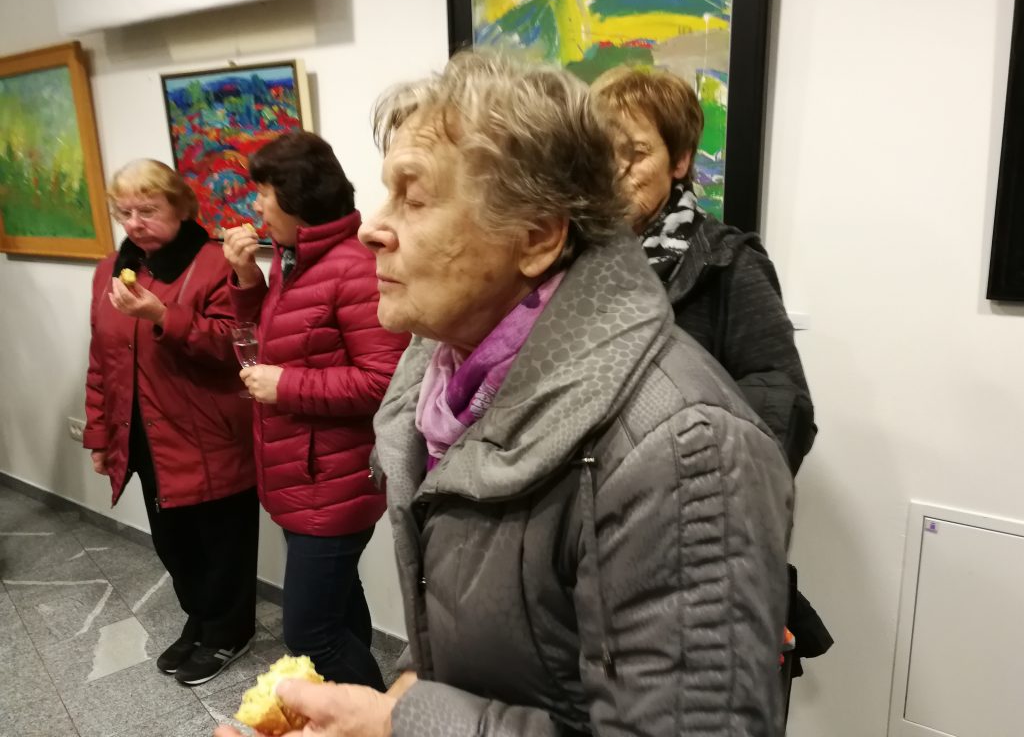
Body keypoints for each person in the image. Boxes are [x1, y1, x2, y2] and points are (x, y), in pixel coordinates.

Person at [216, 52, 793, 737]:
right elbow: (480, 635)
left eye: (414, 198)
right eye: (386, 193)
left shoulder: (684, 451)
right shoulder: (442, 384)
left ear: (537, 237)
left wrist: (403, 724)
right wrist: (398, 701)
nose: (371, 226)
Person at [222, 131, 409, 691]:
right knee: (339, 611)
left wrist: (287, 386)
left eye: (264, 193)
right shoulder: (295, 260)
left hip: (333, 481)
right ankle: (354, 712)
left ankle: (381, 722)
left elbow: (386, 381)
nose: (256, 205)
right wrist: (248, 282)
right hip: (303, 475)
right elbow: (282, 338)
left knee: (310, 632)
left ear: (298, 197)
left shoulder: (353, 267)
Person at [591, 66, 816, 473]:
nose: (614, 172)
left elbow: (785, 403)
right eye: (601, 152)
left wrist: (701, 473)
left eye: (636, 154)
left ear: (680, 161)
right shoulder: (577, 256)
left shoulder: (729, 262)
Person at [84, 159, 258, 686]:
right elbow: (101, 359)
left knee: (221, 546)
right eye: (124, 212)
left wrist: (162, 315)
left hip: (209, 435)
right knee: (174, 543)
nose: (134, 223)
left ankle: (229, 631)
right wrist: (100, 434)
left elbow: (236, 345)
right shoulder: (111, 269)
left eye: (147, 209)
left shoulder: (216, 263)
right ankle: (200, 620)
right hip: (143, 436)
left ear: (181, 207)